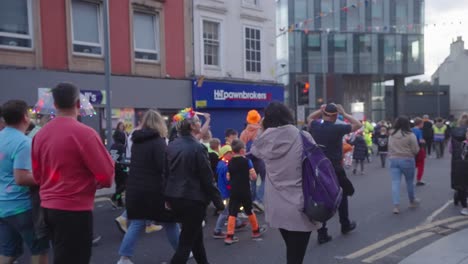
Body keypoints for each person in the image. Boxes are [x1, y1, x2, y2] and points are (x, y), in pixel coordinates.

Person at [32, 82, 115, 264]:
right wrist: (94, 182)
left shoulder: (40, 135)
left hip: (47, 208)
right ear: (78, 104)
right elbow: (107, 177)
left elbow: (37, 176)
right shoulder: (85, 134)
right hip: (74, 210)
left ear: (54, 105)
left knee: (61, 255)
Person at [251, 102, 320, 264]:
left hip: (277, 206)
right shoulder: (303, 137)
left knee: (292, 251)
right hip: (300, 204)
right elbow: (317, 164)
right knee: (296, 257)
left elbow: (254, 150)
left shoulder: (264, 140)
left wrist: (262, 127)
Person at [117, 110, 180, 264]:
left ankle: (124, 258)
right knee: (170, 221)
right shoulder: (158, 142)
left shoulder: (136, 141)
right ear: (160, 123)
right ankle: (182, 252)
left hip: (135, 187)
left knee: (137, 222)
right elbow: (162, 168)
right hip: (154, 189)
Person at [165, 108, 224, 264]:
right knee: (185, 244)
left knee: (195, 238)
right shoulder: (198, 148)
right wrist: (219, 202)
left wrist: (166, 197)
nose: (200, 123)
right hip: (193, 199)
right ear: (192, 126)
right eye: (198, 121)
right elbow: (207, 178)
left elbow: (166, 173)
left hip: (175, 197)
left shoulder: (171, 145)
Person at [0, 100, 49, 264]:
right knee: (39, 250)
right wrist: (46, 177)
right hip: (23, 207)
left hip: (3, 207)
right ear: (25, 118)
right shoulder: (23, 143)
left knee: (8, 253)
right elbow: (21, 178)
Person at [307, 103, 361, 244]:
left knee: (322, 197)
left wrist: (321, 110)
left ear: (324, 113)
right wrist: (345, 112)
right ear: (336, 115)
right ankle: (345, 224)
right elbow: (358, 125)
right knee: (343, 194)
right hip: (335, 168)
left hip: (318, 168)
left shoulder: (316, 125)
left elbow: (309, 117)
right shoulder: (338, 128)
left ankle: (322, 233)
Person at [224, 139, 266, 245]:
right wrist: (249, 176)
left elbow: (228, 177)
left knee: (232, 212)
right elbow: (253, 176)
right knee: (249, 210)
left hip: (234, 190)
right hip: (245, 190)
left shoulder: (230, 162)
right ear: (242, 150)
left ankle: (229, 236)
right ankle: (256, 231)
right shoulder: (247, 161)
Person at [388, 116, 420, 214]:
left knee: (395, 183)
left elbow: (389, 147)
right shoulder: (410, 135)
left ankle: (396, 206)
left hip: (394, 159)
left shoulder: (391, 134)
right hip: (407, 159)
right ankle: (412, 201)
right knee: (409, 182)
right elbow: (415, 149)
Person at [213, 145, 246, 239]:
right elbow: (228, 180)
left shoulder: (220, 164)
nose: (232, 154)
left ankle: (237, 223)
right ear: (225, 154)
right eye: (230, 153)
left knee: (232, 208)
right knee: (226, 211)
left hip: (222, 190)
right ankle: (217, 230)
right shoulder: (225, 167)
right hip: (226, 192)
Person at [240, 110, 266, 211]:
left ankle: (252, 202)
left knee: (253, 181)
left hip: (249, 159)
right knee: (265, 179)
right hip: (261, 158)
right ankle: (259, 201)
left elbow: (241, 148)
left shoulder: (244, 132)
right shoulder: (261, 130)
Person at [450, 113, 468, 215]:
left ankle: (464, 205)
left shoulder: (454, 133)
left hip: (458, 161)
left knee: (461, 183)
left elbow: (450, 149)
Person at [110, 130, 128, 208]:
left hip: (114, 167)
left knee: (118, 185)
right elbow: (123, 158)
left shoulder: (112, 146)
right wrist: (126, 169)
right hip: (121, 168)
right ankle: (114, 197)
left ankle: (119, 201)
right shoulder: (122, 147)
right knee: (125, 184)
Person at [412, 118, 427, 186]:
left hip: (411, 150)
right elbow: (420, 140)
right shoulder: (419, 131)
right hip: (419, 148)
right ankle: (419, 179)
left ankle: (410, 179)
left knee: (412, 165)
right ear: (420, 124)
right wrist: (424, 141)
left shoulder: (411, 130)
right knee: (421, 165)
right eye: (422, 123)